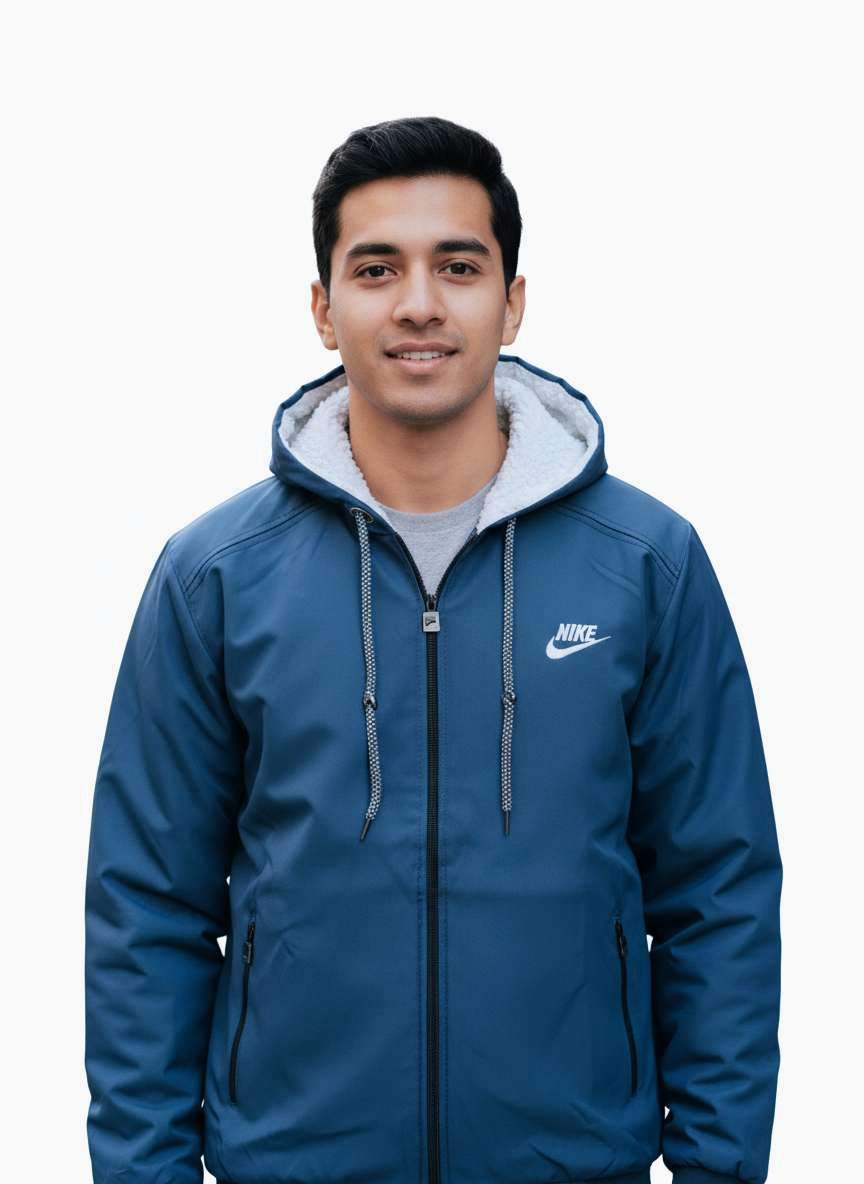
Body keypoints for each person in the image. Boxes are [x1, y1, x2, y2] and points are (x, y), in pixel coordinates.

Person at [84, 115, 783, 1184]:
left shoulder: (647, 564)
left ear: (513, 300)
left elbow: (719, 893)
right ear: (323, 309)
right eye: (377, 269)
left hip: (572, 1160)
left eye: (458, 266)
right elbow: (146, 908)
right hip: (294, 1162)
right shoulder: (215, 576)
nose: (419, 302)